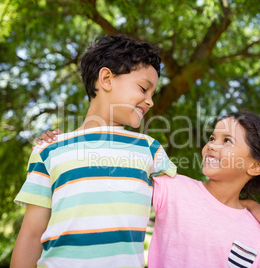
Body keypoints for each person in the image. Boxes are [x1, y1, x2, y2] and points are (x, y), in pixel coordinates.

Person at [10, 35, 178, 268]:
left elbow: (188, 203)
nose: (150, 102)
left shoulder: (150, 149)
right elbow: (30, 235)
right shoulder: (49, 150)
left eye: (152, 94)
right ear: (106, 79)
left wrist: (243, 203)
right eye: (143, 88)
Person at [148, 112, 260, 268]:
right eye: (212, 138)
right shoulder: (172, 187)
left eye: (227, 140)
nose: (211, 145)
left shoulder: (257, 233)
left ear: (256, 167)